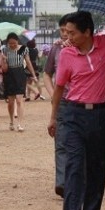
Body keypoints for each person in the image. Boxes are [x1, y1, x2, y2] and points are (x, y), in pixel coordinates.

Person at [47, 11, 105, 210]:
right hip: (73, 114)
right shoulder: (66, 54)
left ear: (88, 32)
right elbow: (59, 88)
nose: (68, 36)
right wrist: (53, 117)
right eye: (66, 32)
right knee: (74, 167)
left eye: (73, 32)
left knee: (97, 168)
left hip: (100, 115)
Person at [43, 14, 71, 197]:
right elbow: (46, 73)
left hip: (79, 102)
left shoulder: (83, 48)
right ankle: (61, 183)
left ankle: (75, 180)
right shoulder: (56, 49)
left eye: (68, 31)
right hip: (61, 102)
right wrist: (53, 93)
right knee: (60, 143)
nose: (64, 34)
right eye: (62, 30)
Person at [4, 33, 37, 132]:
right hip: (9, 75)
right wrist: (4, 60)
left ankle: (20, 123)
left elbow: (28, 61)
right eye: (10, 43)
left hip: (20, 74)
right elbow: (3, 67)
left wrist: (33, 74)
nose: (12, 45)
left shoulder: (23, 49)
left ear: (17, 41)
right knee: (10, 102)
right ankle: (11, 121)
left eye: (14, 43)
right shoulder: (5, 50)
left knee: (19, 100)